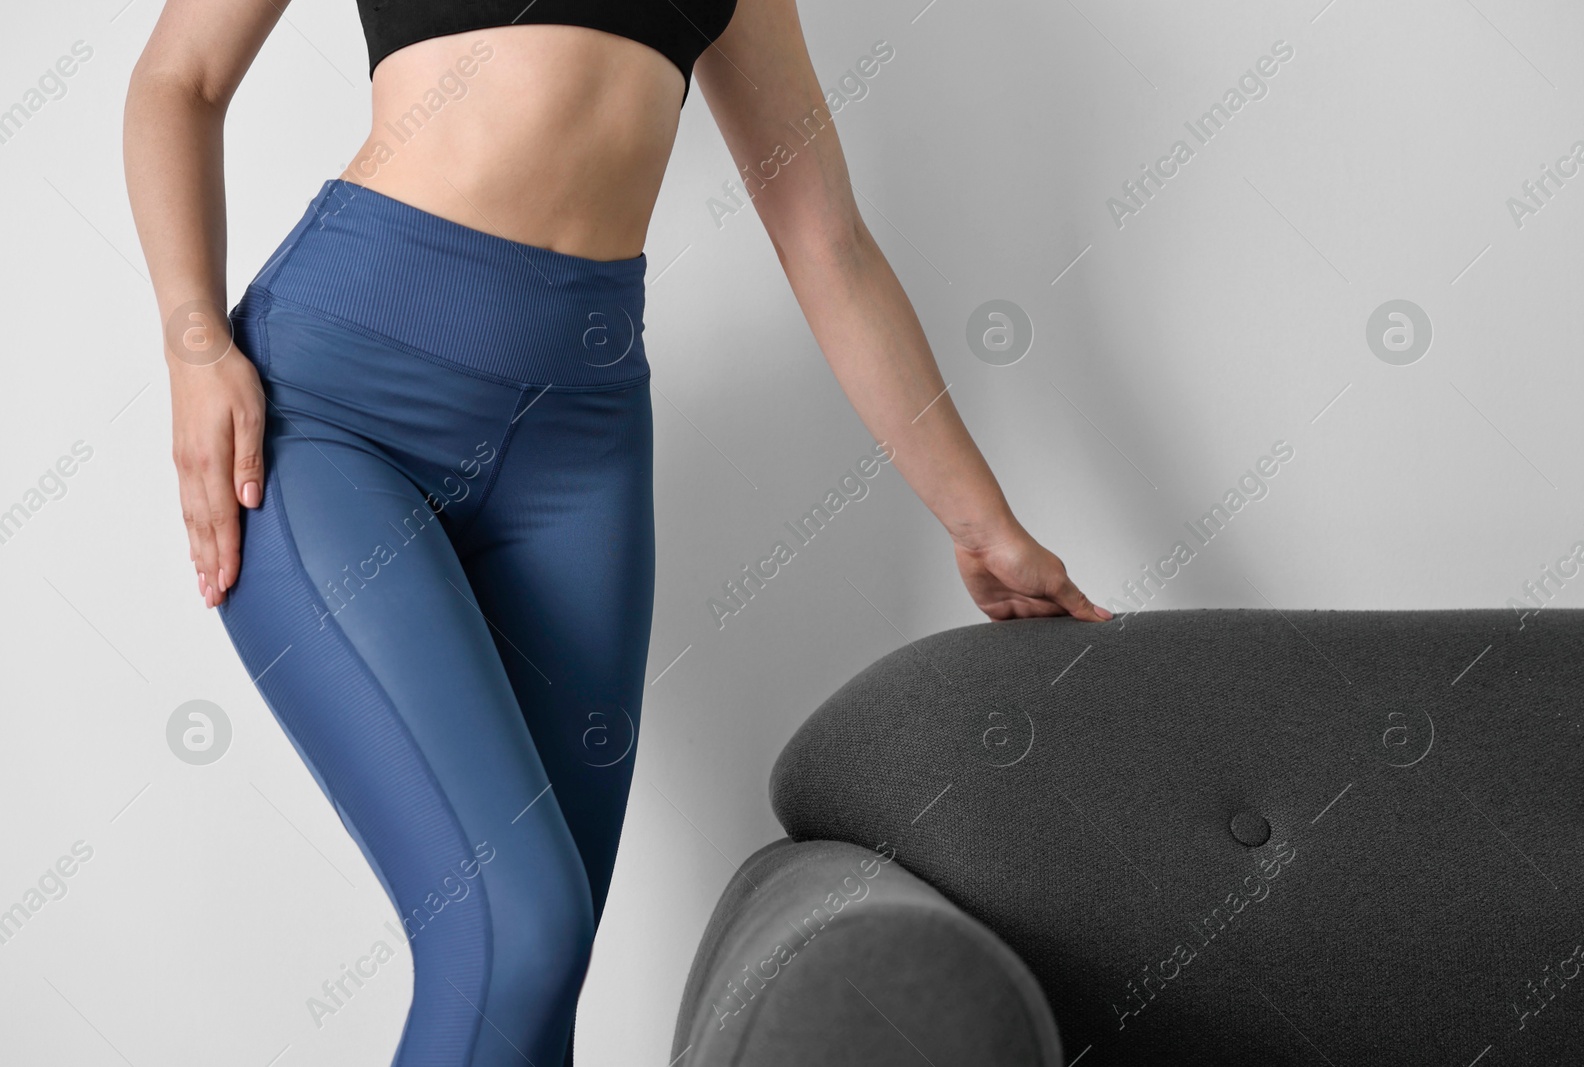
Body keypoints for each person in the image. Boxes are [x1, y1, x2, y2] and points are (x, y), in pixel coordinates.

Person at [123, 1, 1111, 1063]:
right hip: (336, 414)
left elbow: (829, 242)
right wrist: (193, 345)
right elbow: (177, 81)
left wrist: (982, 523)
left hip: (577, 460)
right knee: (517, 928)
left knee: (543, 973)